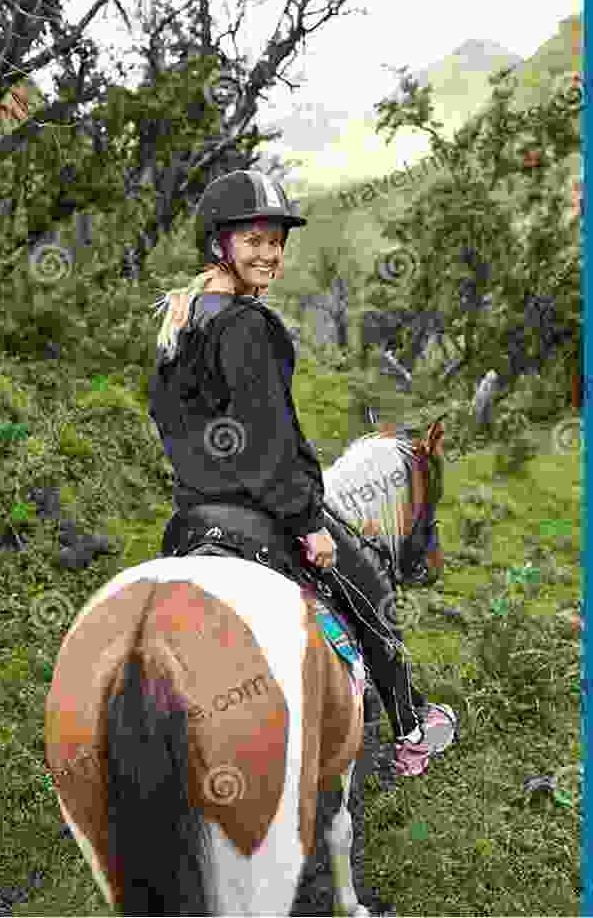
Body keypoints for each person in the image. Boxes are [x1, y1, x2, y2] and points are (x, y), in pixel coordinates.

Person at [147, 169, 456, 777]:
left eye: (276, 242)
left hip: (194, 516)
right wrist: (306, 520)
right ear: (220, 244)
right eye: (254, 240)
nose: (269, 253)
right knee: (373, 597)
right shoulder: (245, 327)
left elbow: (175, 422)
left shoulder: (181, 321)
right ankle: (412, 726)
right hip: (259, 511)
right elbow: (268, 440)